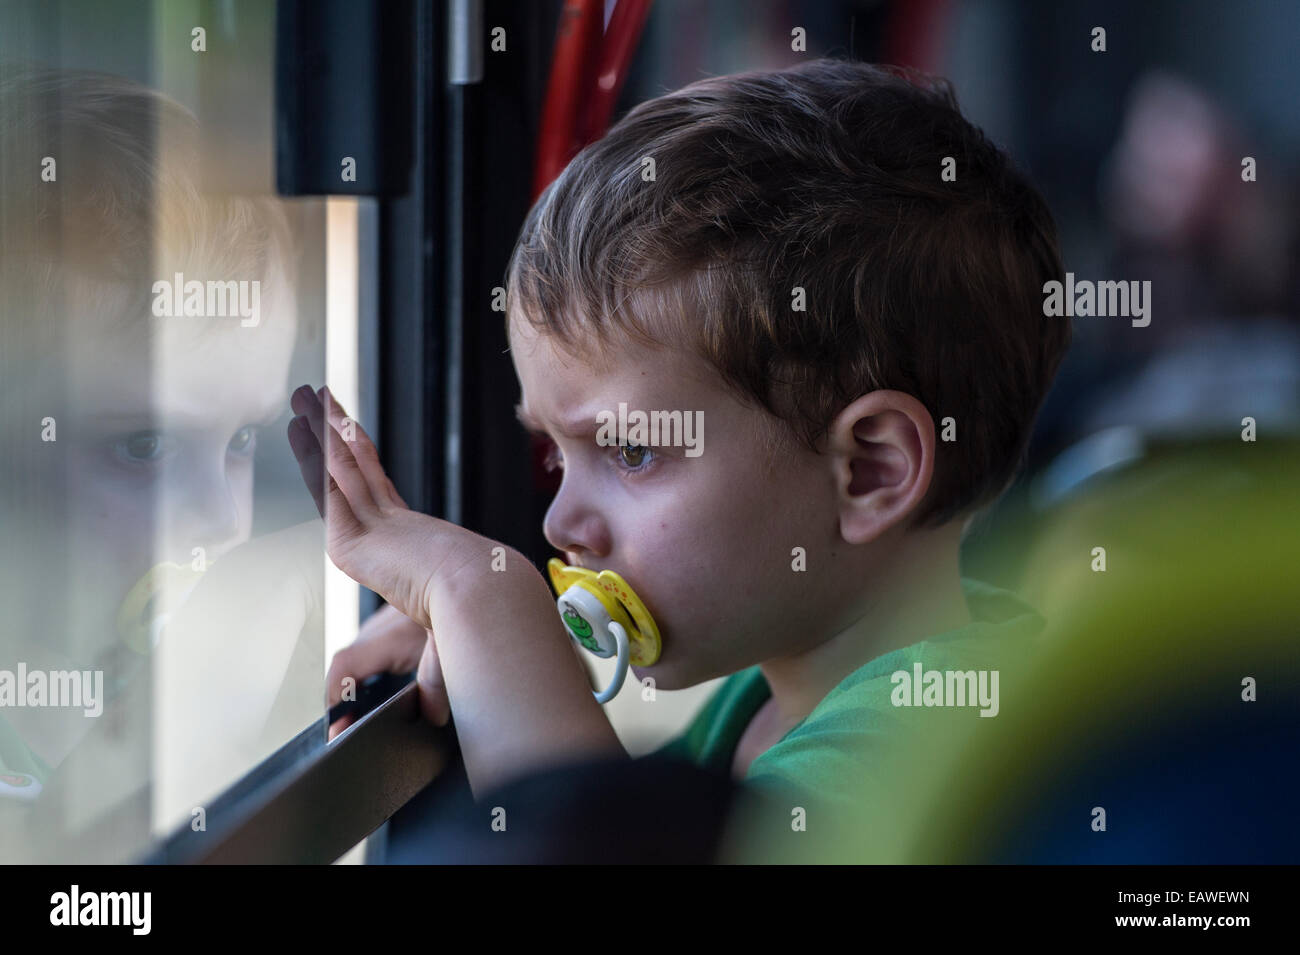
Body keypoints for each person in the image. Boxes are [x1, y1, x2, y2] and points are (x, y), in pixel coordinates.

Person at [297, 58, 1070, 856]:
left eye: (631, 451)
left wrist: (478, 599)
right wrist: (494, 662)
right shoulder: (769, 694)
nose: (562, 522)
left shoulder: (925, 744)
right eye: (556, 455)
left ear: (868, 471)